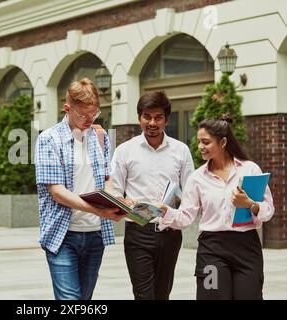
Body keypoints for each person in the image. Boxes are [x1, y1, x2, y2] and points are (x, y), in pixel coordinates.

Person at [158, 117, 275, 300]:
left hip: (247, 247)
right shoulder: (197, 178)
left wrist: (250, 204)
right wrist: (166, 212)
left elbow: (268, 210)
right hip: (212, 249)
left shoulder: (250, 169)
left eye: (206, 142)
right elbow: (186, 216)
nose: (200, 147)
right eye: (198, 142)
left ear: (223, 142)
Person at [35, 78, 125, 300]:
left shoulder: (100, 137)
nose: (89, 120)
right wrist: (98, 211)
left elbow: (106, 178)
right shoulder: (49, 139)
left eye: (93, 114)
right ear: (67, 108)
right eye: (83, 115)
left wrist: (117, 200)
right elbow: (56, 191)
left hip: (95, 235)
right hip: (63, 235)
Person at [110, 91, 194, 300]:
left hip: (170, 233)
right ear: (139, 118)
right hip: (138, 232)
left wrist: (177, 207)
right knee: (143, 295)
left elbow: (191, 191)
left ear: (166, 119)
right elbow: (115, 193)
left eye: (158, 117)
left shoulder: (181, 151)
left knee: (162, 294)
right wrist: (132, 207)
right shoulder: (124, 151)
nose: (152, 122)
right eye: (147, 116)